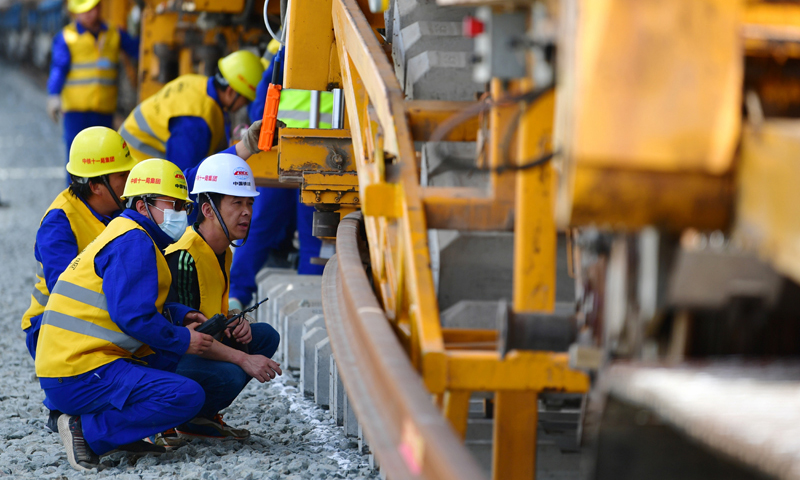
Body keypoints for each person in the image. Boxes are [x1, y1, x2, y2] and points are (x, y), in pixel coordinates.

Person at [35, 158, 215, 471]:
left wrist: (180, 316)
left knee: (179, 367)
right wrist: (183, 338)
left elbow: (132, 304)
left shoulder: (130, 233)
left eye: (183, 207)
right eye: (172, 205)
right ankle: (87, 431)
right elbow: (133, 317)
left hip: (76, 363)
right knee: (186, 395)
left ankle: (119, 431)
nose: (180, 214)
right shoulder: (134, 241)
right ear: (143, 206)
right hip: (78, 370)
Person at [160, 153, 281, 443]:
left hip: (199, 345)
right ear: (209, 209)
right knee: (231, 373)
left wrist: (235, 323)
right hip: (169, 357)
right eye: (236, 203)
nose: (247, 212)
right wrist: (243, 359)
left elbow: (210, 314)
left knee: (263, 336)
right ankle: (169, 416)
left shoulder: (223, 249)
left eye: (250, 202)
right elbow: (188, 340)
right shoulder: (185, 256)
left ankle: (199, 419)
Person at [229, 46, 333, 310]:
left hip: (287, 151)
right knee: (315, 235)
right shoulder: (306, 41)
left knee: (263, 227)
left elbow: (261, 109)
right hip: (321, 156)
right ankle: (312, 306)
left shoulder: (288, 44)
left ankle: (237, 296)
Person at [22, 127, 134, 362]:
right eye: (123, 176)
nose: (130, 180)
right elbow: (66, 297)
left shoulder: (117, 207)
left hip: (100, 312)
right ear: (96, 186)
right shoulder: (59, 223)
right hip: (50, 325)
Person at [118, 50, 264, 186]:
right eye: (245, 100)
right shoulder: (197, 120)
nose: (243, 105)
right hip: (135, 174)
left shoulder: (196, 83)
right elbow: (182, 181)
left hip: (127, 158)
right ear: (231, 92)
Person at [46, 0, 139, 184]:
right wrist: (53, 95)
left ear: (99, 8)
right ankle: (73, 203)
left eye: (92, 9)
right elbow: (58, 68)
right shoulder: (67, 37)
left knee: (103, 162)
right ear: (75, 13)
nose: (89, 14)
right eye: (84, 11)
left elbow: (138, 50)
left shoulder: (114, 34)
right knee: (76, 163)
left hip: (104, 111)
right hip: (76, 113)